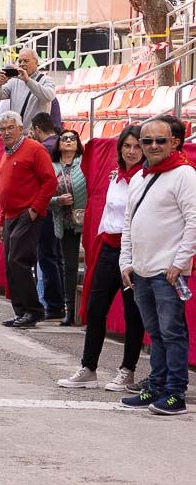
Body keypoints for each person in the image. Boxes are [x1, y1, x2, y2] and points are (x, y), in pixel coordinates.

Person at [118, 117, 196, 416]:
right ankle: (157, 384)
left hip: (168, 272)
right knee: (154, 333)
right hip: (141, 269)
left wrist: (179, 263)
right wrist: (126, 261)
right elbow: (129, 223)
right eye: (146, 141)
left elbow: (193, 221)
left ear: (174, 142)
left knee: (172, 332)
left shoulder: (184, 175)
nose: (152, 146)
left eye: (159, 141)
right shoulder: (139, 177)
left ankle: (175, 391)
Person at [58, 125, 145, 391]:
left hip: (134, 252)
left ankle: (127, 370)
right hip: (109, 247)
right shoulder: (114, 176)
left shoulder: (146, 177)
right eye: (126, 146)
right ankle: (88, 368)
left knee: (133, 314)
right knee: (95, 308)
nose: (131, 151)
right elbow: (108, 212)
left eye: (136, 146)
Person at [0, 112, 57, 329]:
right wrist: (2, 221)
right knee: (11, 265)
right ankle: (21, 311)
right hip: (11, 215)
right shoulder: (6, 154)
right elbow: (5, 190)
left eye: (11, 127)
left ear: (21, 128)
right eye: (2, 129)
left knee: (18, 261)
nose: (6, 132)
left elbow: (50, 181)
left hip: (26, 213)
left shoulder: (34, 149)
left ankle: (33, 310)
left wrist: (35, 209)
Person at [50, 128, 87, 325]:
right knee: (69, 267)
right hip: (64, 222)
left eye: (73, 138)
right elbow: (43, 195)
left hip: (86, 220)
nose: (68, 141)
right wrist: (57, 200)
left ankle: (87, 309)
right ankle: (70, 309)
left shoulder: (85, 162)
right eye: (64, 138)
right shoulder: (52, 166)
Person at [31, 113, 66, 319]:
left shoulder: (41, 149)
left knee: (46, 257)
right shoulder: (63, 144)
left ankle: (53, 304)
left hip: (48, 207)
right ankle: (60, 302)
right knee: (57, 258)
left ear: (37, 129)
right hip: (65, 208)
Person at [0, 48, 58, 126]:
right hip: (17, 131)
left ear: (36, 62)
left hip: (36, 132)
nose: (22, 64)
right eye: (19, 61)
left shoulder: (47, 80)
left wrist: (28, 81)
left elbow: (49, 96)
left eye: (26, 61)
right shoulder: (14, 81)